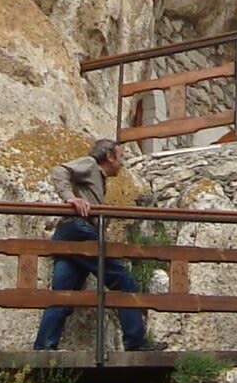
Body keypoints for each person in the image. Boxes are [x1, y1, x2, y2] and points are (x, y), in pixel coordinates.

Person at [30, 139, 157, 353]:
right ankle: (136, 341)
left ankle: (43, 347)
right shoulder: (90, 165)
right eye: (121, 157)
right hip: (80, 231)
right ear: (109, 156)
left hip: (68, 233)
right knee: (123, 280)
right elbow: (59, 171)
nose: (123, 163)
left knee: (62, 295)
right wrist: (71, 199)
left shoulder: (97, 176)